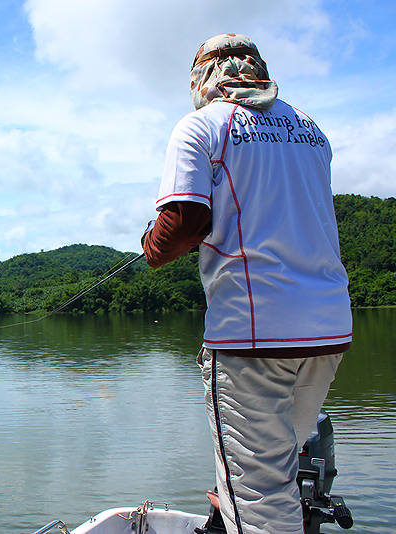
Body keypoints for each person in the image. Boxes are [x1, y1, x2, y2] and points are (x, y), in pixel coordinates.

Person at [141, 33, 352, 534]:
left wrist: (152, 247)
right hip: (327, 333)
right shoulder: (311, 130)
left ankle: (243, 501)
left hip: (253, 337)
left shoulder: (201, 126)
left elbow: (185, 221)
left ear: (202, 78)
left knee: (258, 497)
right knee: (275, 470)